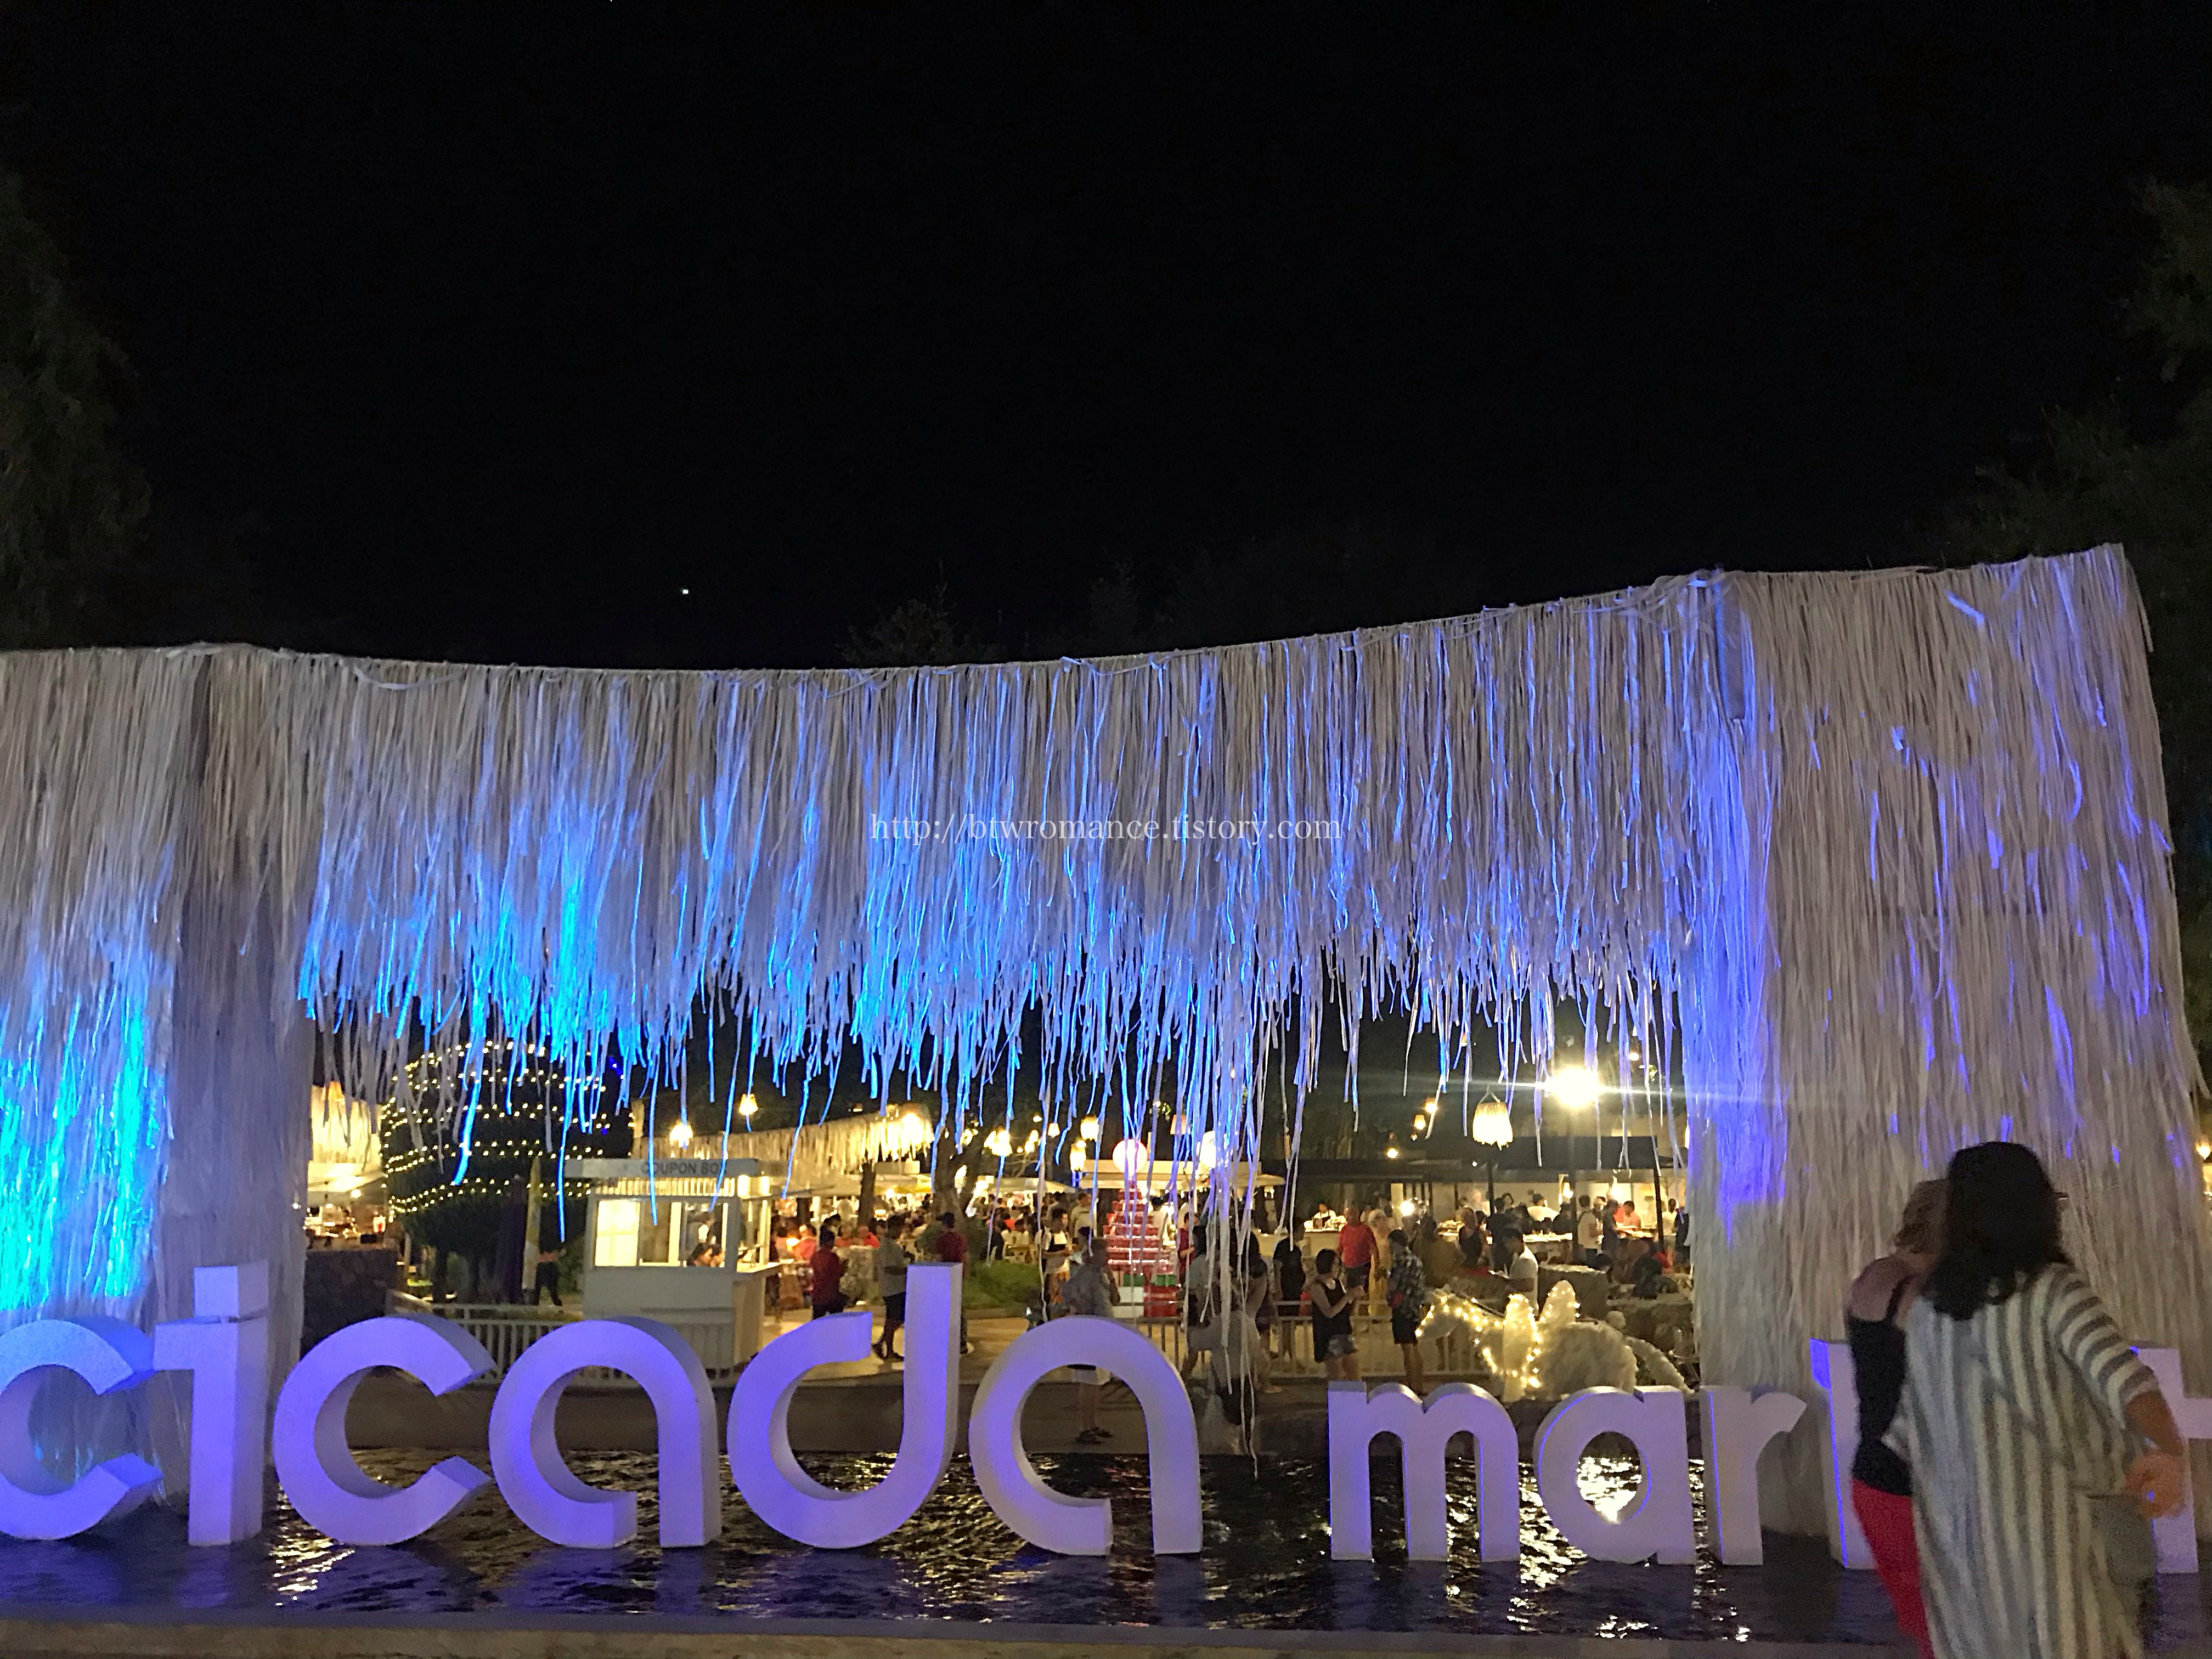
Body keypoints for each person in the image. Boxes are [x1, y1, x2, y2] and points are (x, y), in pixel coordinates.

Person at [1890, 1142, 2186, 1659]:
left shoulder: (1928, 1313)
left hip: (1965, 1568)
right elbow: (2130, 1384)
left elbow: (1912, 1437)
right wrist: (2171, 1456)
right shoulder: (2053, 1291)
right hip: (2067, 1558)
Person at [1846, 1178, 1944, 1657]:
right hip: (1914, 1483)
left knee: (1917, 1621)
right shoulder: (1921, 1296)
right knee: (1946, 1627)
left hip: (1871, 1476)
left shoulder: (1871, 1277)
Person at [1059, 1231, 1115, 1443]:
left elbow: (1114, 1300)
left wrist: (1112, 1280)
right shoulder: (1084, 1274)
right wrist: (1081, 1309)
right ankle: (1084, 1427)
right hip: (1089, 1332)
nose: (1107, 1257)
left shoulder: (1101, 1275)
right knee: (1088, 1381)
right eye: (1103, 1253)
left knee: (1097, 1380)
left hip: (1101, 1330)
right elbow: (1068, 1291)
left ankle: (1092, 1423)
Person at [1385, 1227, 1429, 1395]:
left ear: (1394, 1243)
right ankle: (1420, 1384)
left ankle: (1412, 1386)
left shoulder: (1400, 1261)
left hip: (1402, 1308)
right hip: (1415, 1307)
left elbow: (1394, 1284)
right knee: (1415, 1347)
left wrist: (1387, 1282)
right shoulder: (1416, 1261)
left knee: (1407, 1349)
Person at [1308, 1247, 1358, 1380]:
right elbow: (1329, 1312)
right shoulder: (1317, 1287)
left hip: (1344, 1331)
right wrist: (1347, 1298)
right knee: (1337, 1376)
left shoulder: (1338, 1283)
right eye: (1335, 1264)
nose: (1338, 1268)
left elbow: (1348, 1310)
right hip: (1329, 1335)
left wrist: (1355, 1297)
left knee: (1354, 1373)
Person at [873, 1212, 912, 1362]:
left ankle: (885, 1346)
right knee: (895, 1318)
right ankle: (884, 1346)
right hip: (892, 1287)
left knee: (893, 1319)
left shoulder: (891, 1244)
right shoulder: (885, 1246)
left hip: (897, 1287)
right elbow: (889, 1267)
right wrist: (906, 1270)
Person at [1271, 1234, 1307, 1357]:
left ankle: (1287, 1353)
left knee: (1290, 1324)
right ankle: (1289, 1354)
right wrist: (1278, 1288)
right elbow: (1277, 1267)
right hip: (1287, 1290)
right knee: (1287, 1323)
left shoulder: (1295, 1249)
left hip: (1294, 1290)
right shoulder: (1284, 1246)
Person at [1336, 1205, 1378, 1305]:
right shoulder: (1344, 1230)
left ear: (1357, 1215)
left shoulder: (1365, 1230)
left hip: (1362, 1267)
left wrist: (1377, 1267)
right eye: (1346, 1216)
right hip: (1348, 1267)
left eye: (1350, 1215)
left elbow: (1374, 1249)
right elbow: (1340, 1248)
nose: (1347, 1218)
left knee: (1361, 1294)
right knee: (1348, 1293)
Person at [809, 1221, 847, 1319]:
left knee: (817, 1320)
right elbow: (838, 1274)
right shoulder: (832, 1257)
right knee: (835, 1318)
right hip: (831, 1294)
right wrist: (844, 1266)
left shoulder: (815, 1256)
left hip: (817, 1294)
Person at [1575, 1198, 1605, 1268]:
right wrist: (1603, 1230)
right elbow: (1593, 1233)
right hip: (1591, 1246)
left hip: (1583, 1244)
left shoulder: (1580, 1215)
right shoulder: (1591, 1217)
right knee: (1592, 1268)